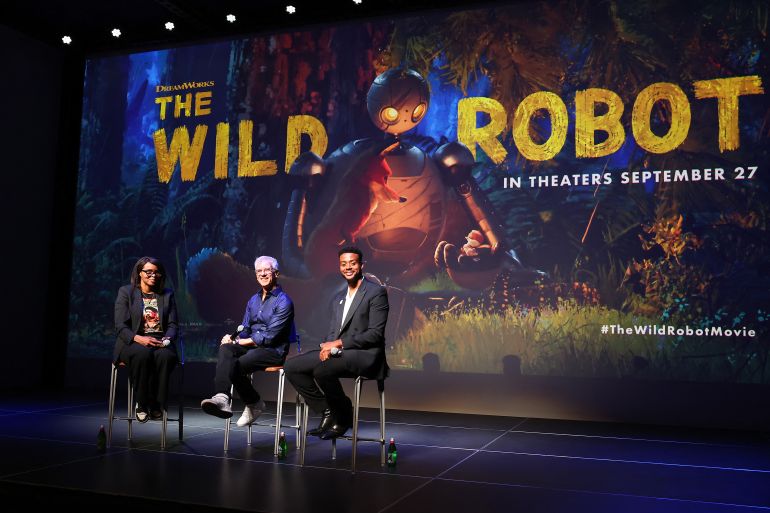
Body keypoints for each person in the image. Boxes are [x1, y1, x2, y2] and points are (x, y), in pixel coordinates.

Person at [285, 246, 389, 439]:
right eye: (343, 264)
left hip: (366, 355)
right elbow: (333, 331)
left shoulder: (376, 292)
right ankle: (327, 410)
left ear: (361, 265)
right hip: (340, 352)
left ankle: (342, 417)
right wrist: (327, 346)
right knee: (292, 366)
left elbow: (375, 334)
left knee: (322, 370)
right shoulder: (339, 298)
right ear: (339, 267)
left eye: (352, 263)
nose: (348, 267)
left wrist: (338, 344)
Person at [200, 256, 296, 427]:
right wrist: (232, 338)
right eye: (259, 271)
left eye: (267, 270)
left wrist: (240, 343)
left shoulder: (284, 301)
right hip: (252, 348)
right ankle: (222, 398)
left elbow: (269, 337)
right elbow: (245, 328)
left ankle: (254, 403)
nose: (263, 274)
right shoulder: (253, 300)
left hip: (273, 351)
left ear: (276, 273)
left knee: (235, 364)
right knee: (226, 350)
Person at [114, 256, 179, 423]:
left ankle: (157, 404)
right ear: (139, 273)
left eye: (157, 272)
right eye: (148, 272)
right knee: (143, 354)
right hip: (133, 341)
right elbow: (120, 326)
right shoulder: (126, 292)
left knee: (166, 357)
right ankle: (142, 403)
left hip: (159, 341)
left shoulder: (167, 294)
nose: (153, 275)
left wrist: (167, 339)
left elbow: (173, 325)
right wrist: (139, 338)